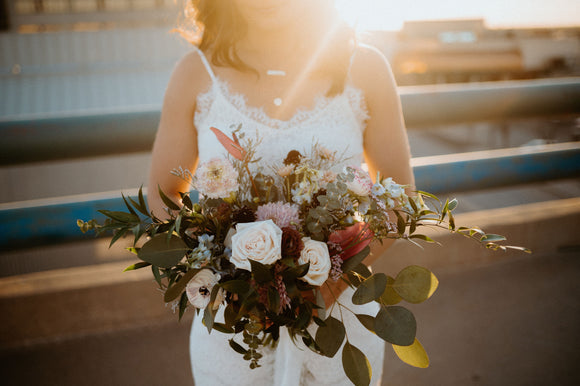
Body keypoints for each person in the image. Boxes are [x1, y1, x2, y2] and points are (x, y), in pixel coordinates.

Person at [148, 0, 414, 385]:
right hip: (234, 331)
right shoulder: (194, 72)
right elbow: (164, 195)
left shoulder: (367, 68)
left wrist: (333, 279)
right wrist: (225, 271)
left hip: (339, 326)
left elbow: (400, 199)